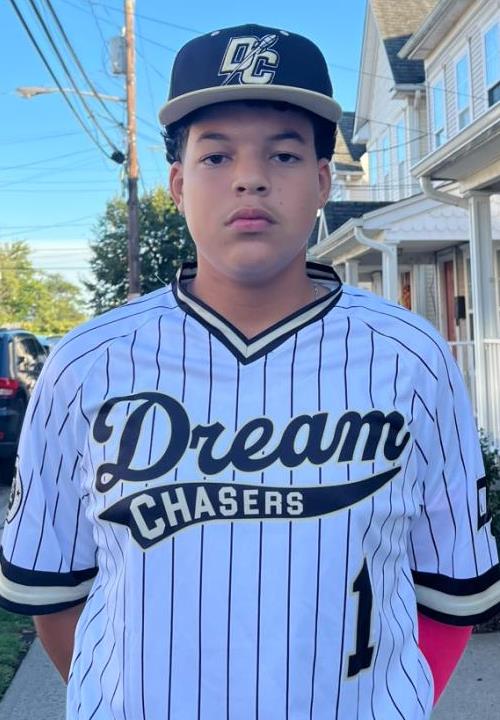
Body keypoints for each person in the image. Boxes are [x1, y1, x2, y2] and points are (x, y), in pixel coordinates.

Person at [1, 23, 499, 720]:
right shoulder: (85, 363)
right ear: (178, 184)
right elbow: (54, 592)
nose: (250, 176)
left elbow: (451, 594)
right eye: (216, 155)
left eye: (284, 153)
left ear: (323, 181)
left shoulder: (412, 356)